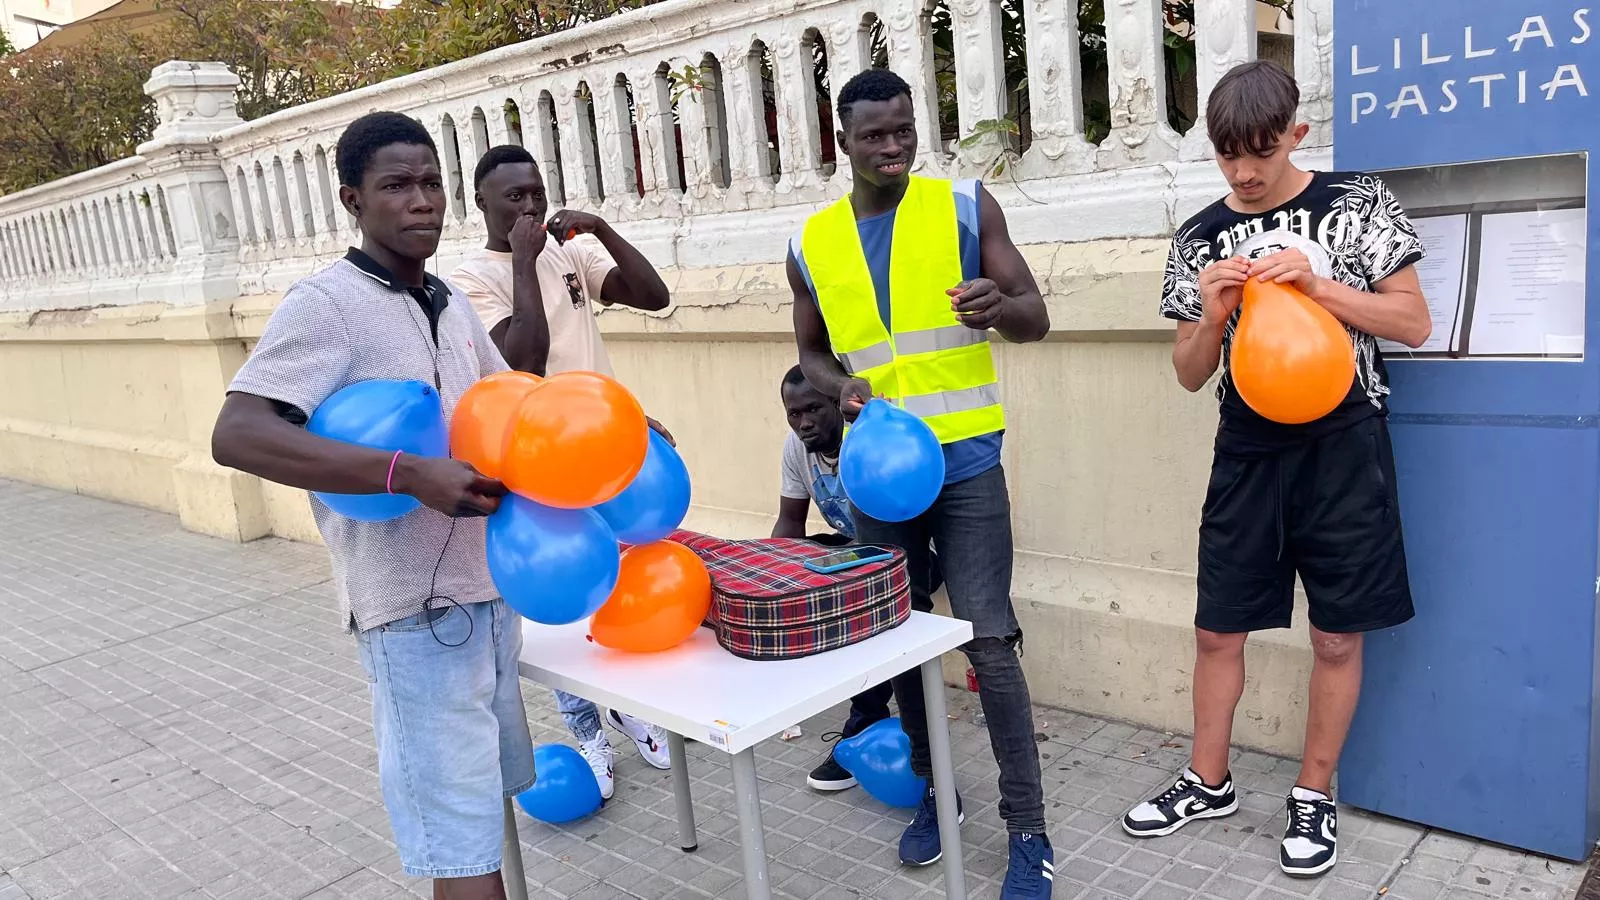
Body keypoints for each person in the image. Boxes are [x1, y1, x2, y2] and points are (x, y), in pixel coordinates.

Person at [1120, 60, 1431, 879]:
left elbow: (1414, 320)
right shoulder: (1199, 237)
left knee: (1336, 633)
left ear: (1296, 133)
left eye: (1260, 152)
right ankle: (1208, 777)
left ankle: (1312, 793)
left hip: (1345, 440)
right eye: (1228, 157)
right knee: (1218, 624)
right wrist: (1213, 312)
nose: (1245, 173)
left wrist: (1322, 287)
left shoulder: (1355, 204)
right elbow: (1189, 372)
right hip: (1249, 447)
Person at [212, 112, 530, 900]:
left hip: (488, 598)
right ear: (353, 199)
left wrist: (604, 424)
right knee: (458, 848)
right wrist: (407, 474)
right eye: (395, 186)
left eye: (430, 183)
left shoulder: (451, 302)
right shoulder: (327, 304)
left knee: (478, 814)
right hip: (411, 617)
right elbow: (239, 432)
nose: (420, 201)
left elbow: (508, 401)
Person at [789, 69, 1055, 899]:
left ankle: (1029, 832)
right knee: (899, 636)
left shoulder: (967, 205)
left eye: (904, 129)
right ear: (846, 141)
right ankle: (938, 796)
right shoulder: (811, 242)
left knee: (988, 641)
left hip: (969, 462)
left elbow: (1035, 317)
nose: (895, 145)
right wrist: (842, 390)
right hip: (879, 473)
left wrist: (998, 307)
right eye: (876, 134)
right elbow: (811, 353)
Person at [449, 144, 673, 802]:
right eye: (512, 198)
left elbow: (654, 296)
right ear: (482, 205)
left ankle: (627, 706)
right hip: (533, 465)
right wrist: (522, 260)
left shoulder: (570, 252)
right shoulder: (470, 278)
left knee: (614, 579)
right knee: (561, 603)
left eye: (535, 193)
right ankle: (587, 732)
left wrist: (601, 230)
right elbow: (523, 363)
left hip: (599, 449)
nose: (529, 207)